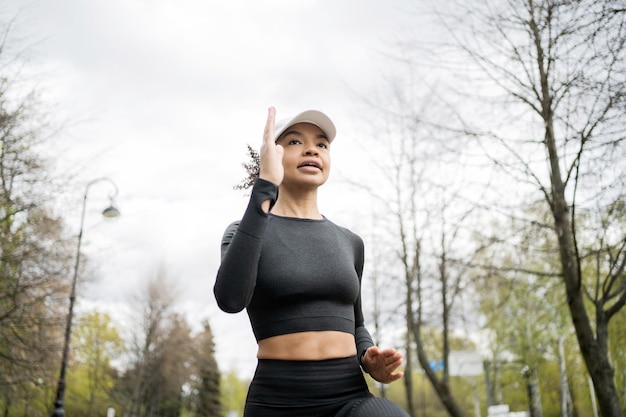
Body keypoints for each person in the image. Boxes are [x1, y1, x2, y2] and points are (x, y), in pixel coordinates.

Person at [214, 107, 409, 417]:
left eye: (321, 144)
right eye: (294, 142)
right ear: (271, 157)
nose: (311, 149)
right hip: (278, 401)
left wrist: (368, 357)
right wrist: (264, 188)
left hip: (349, 396)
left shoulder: (350, 242)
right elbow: (230, 300)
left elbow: (356, 323)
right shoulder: (244, 232)